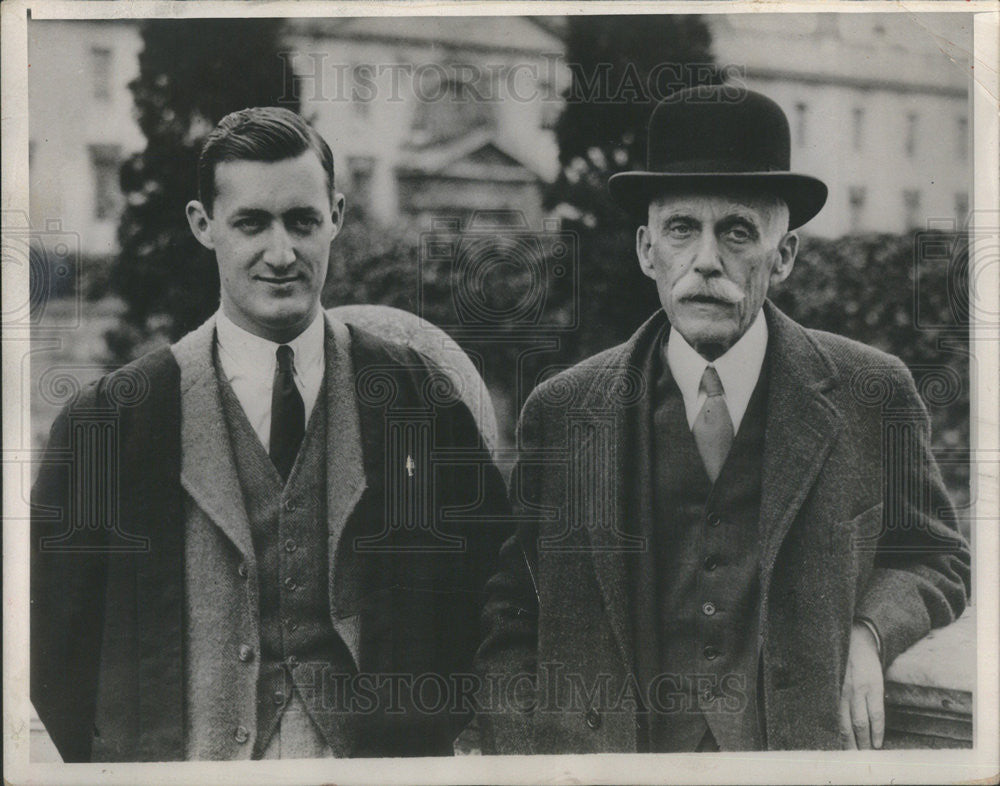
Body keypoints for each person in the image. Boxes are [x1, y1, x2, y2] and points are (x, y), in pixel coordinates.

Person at [475, 86, 970, 753]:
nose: (706, 259)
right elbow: (513, 616)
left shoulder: (869, 392)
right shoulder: (563, 413)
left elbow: (936, 557)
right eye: (682, 228)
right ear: (649, 251)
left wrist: (869, 630)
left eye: (737, 230)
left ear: (785, 254)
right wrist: (524, 756)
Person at [31, 107, 510, 761]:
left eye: (303, 222)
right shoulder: (108, 425)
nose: (281, 254)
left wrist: (422, 737)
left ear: (336, 216)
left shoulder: (417, 400)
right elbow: (54, 648)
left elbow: (494, 593)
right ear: (205, 226)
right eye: (251, 223)